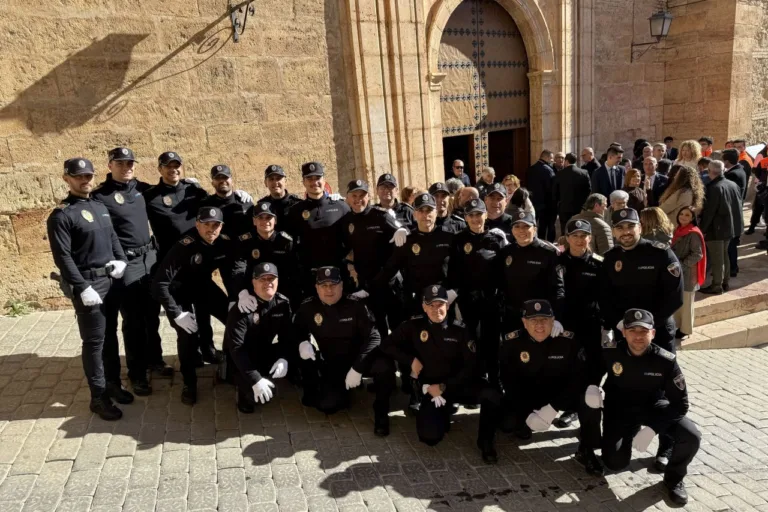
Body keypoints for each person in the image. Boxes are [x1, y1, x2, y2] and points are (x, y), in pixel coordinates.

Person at [47, 157, 129, 420]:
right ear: (66, 178)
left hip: (110, 280)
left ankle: (113, 384)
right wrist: (81, 286)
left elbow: (112, 236)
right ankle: (98, 397)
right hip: (89, 285)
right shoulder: (62, 214)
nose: (85, 180)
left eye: (89, 176)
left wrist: (122, 260)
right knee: (94, 342)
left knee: (111, 334)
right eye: (79, 176)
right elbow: (63, 257)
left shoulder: (98, 205)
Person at [592, 308, 700, 506]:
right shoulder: (610, 352)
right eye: (633, 331)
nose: (638, 336)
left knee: (691, 435)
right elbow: (590, 372)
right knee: (615, 462)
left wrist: (653, 429)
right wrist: (592, 386)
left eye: (644, 331)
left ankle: (674, 479)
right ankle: (620, 436)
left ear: (653, 333)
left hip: (653, 408)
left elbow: (681, 403)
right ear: (623, 332)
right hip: (620, 409)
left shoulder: (665, 361)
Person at [482, 300, 603, 474]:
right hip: (527, 396)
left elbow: (579, 380)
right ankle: (522, 424)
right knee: (508, 424)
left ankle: (587, 449)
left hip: (560, 396)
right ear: (524, 322)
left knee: (591, 398)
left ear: (553, 321)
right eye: (533, 320)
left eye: (544, 320)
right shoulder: (512, 342)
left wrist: (554, 408)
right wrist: (526, 412)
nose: (539, 325)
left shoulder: (568, 341)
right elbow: (508, 382)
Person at [92, 147, 168, 396]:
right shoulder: (100, 197)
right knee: (133, 321)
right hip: (127, 264)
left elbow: (171, 191)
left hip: (151, 258)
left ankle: (155, 360)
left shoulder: (143, 189)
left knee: (152, 315)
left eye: (130, 163)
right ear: (110, 165)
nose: (127, 168)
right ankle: (137, 373)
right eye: (121, 164)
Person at [381, 285, 490, 450]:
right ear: (424, 307)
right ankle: (442, 414)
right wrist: (410, 360)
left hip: (458, 385)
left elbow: (471, 367)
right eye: (431, 305)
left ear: (447, 305)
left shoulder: (460, 330)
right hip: (431, 389)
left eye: (440, 304)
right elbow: (386, 345)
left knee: (492, 396)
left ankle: (486, 443)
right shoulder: (414, 326)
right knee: (429, 436)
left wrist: (445, 386)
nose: (435, 309)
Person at [295, 267, 395, 436]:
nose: (329, 290)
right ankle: (342, 392)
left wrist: (358, 368)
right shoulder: (308, 307)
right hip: (334, 364)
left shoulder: (355, 305)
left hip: (359, 360)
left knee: (385, 366)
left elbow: (374, 337)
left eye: (333, 285)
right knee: (327, 406)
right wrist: (302, 342)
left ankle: (381, 412)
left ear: (341, 285)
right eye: (324, 285)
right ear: (316, 287)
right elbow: (295, 329)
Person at [152, 207, 231, 405]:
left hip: (202, 285)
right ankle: (189, 383)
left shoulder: (224, 243)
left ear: (221, 227)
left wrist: (238, 297)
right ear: (197, 224)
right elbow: (159, 283)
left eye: (216, 225)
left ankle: (232, 368)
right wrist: (176, 313)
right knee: (187, 335)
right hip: (177, 290)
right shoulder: (184, 245)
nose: (211, 229)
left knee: (234, 318)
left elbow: (233, 271)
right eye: (206, 224)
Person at [143, 152, 216, 364]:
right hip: (173, 267)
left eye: (176, 166)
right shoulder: (150, 196)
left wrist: (237, 194)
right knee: (184, 314)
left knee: (204, 311)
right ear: (159, 169)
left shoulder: (193, 191)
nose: (173, 169)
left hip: (198, 263)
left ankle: (208, 348)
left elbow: (215, 205)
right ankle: (190, 355)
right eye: (167, 166)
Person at [599, 208, 683, 353]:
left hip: (658, 330)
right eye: (620, 228)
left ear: (640, 227)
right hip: (625, 331)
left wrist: (647, 327)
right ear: (613, 231)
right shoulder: (610, 258)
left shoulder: (661, 254)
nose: (626, 232)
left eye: (631, 226)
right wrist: (618, 323)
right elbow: (605, 297)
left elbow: (675, 296)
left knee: (663, 374)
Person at [447, 199, 505, 384]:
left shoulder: (496, 240)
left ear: (485, 215)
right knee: (471, 341)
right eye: (471, 215)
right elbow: (453, 272)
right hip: (467, 301)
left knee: (492, 343)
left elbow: (504, 272)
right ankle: (476, 381)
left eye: (478, 214)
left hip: (491, 301)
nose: (475, 219)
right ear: (465, 218)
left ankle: (495, 382)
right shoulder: (458, 240)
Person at [223, 262, 294, 412]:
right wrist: (255, 379)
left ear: (277, 281)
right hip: (241, 358)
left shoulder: (282, 304)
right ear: (253, 283)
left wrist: (284, 358)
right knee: (254, 399)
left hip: (264, 351)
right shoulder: (241, 308)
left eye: (271, 279)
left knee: (300, 353)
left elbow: (287, 337)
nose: (268, 283)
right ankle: (236, 381)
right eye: (262, 279)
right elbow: (236, 349)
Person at [340, 179, 408, 335]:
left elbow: (402, 231)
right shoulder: (346, 221)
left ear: (369, 196)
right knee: (376, 327)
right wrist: (351, 267)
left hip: (388, 282)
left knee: (398, 326)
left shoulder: (380, 216)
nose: (358, 200)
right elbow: (346, 249)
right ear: (348, 199)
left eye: (362, 195)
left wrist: (402, 230)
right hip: (367, 285)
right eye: (354, 196)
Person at [555, 219, 604, 429]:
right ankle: (569, 406)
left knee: (590, 367)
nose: (579, 240)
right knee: (567, 367)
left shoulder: (598, 264)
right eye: (574, 235)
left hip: (591, 325)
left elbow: (606, 297)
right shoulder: (558, 262)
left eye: (583, 236)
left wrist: (606, 326)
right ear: (567, 238)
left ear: (589, 238)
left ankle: (583, 410)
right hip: (565, 325)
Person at [283, 162, 351, 297]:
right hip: (309, 278)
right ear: (303, 182)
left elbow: (352, 239)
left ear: (324, 180)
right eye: (309, 179)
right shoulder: (296, 211)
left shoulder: (341, 207)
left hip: (338, 275)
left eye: (317, 178)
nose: (314, 182)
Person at [496, 211, 564, 334]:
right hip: (512, 317)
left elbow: (558, 289)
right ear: (512, 230)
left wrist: (557, 318)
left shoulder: (548, 253)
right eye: (517, 226)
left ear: (535, 229)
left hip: (539, 317)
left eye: (526, 226)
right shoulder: (506, 252)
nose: (521, 230)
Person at [232, 201, 300, 311]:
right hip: (254, 292)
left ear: (275, 220)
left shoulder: (285, 242)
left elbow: (294, 271)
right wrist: (242, 291)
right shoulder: (245, 242)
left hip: (282, 291)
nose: (265, 221)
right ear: (254, 221)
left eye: (268, 217)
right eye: (260, 218)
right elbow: (239, 268)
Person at [200, 164, 253, 296]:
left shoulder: (244, 201)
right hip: (223, 257)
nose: (222, 181)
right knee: (234, 294)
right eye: (218, 178)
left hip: (246, 256)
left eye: (225, 177)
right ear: (212, 182)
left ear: (231, 179)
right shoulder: (207, 204)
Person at [699, 161, 742, 294]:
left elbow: (709, 212)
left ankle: (717, 285)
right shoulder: (732, 184)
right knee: (724, 255)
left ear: (710, 171)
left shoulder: (714, 188)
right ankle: (725, 282)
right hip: (729, 227)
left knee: (718, 258)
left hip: (716, 229)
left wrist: (702, 229)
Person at [671, 207, 705, 339]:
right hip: (678, 272)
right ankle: (679, 326)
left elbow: (698, 254)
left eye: (687, 215)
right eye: (681, 214)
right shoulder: (678, 230)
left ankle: (685, 329)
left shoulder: (693, 233)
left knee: (686, 302)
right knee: (680, 301)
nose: (683, 217)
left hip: (688, 273)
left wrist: (681, 265)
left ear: (692, 218)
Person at [722, 149, 748, 278]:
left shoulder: (732, 174)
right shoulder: (740, 169)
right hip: (735, 212)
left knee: (731, 244)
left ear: (726, 161)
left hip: (732, 214)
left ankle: (732, 268)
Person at [553, 153, 592, 233]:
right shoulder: (584, 173)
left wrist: (558, 203)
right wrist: (584, 205)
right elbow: (588, 190)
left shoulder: (560, 174)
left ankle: (565, 245)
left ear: (566, 161)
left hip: (564, 207)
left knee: (565, 230)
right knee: (578, 229)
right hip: (579, 208)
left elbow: (555, 192)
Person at [258, 165, 301, 230]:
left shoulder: (297, 204)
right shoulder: (261, 206)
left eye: (278, 178)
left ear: (285, 181)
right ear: (265, 183)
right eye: (271, 179)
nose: (275, 182)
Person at [527, 150, 557, 241]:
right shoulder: (548, 170)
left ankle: (535, 241)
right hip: (546, 204)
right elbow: (552, 188)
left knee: (533, 224)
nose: (552, 161)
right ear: (546, 157)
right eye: (551, 158)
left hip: (533, 203)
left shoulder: (530, 169)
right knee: (546, 226)